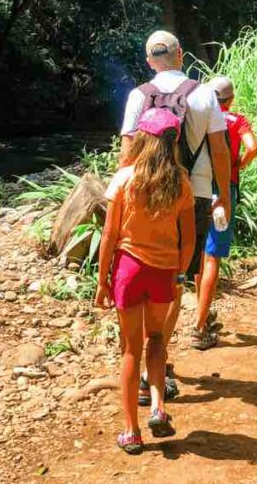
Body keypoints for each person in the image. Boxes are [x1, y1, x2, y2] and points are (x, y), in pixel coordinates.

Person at [119, 30, 232, 403]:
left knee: (140, 274)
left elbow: (126, 158)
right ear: (180, 55)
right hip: (193, 195)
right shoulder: (203, 95)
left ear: (149, 60)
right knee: (176, 279)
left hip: (145, 196)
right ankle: (160, 364)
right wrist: (225, 198)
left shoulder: (138, 95)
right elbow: (219, 152)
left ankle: (139, 367)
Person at [96, 108, 197, 454]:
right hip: (163, 271)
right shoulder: (182, 181)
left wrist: (101, 281)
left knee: (130, 349)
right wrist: (181, 272)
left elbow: (109, 236)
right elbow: (190, 240)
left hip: (128, 268)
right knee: (156, 339)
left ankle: (131, 431)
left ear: (142, 139)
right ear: (174, 143)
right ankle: (157, 406)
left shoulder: (125, 179)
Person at [192, 76, 257, 349]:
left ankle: (203, 313)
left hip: (198, 187)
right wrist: (239, 165)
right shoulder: (236, 120)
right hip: (223, 188)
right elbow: (252, 146)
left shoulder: (198, 114)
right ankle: (198, 327)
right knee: (212, 258)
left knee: (199, 254)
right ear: (230, 99)